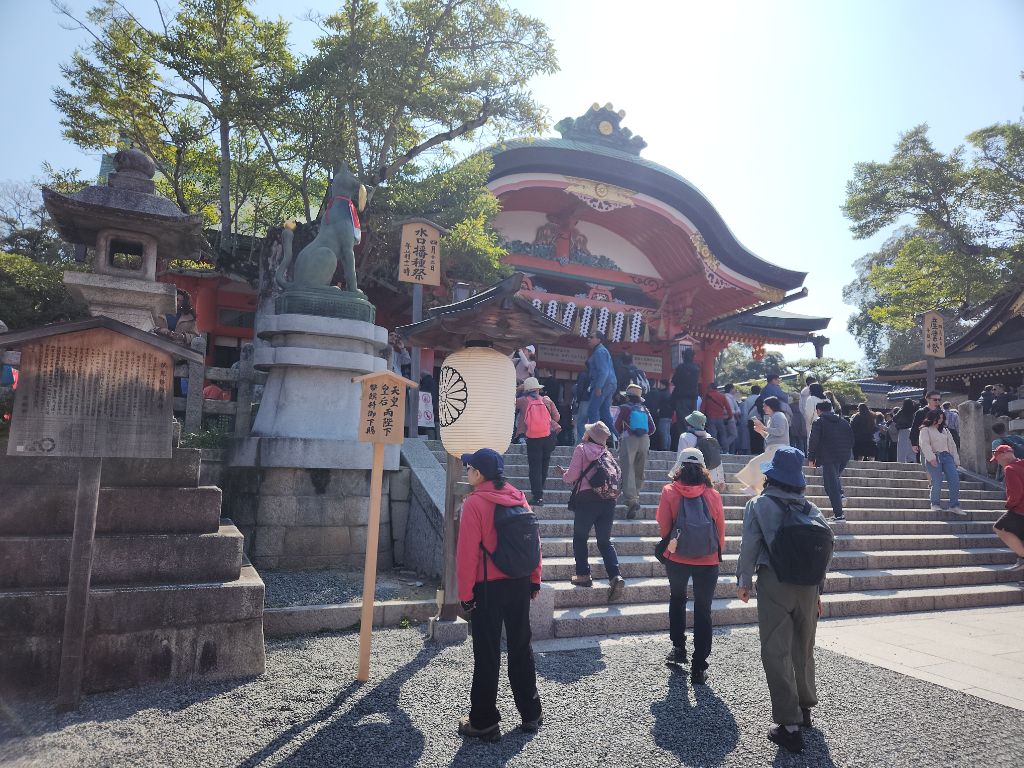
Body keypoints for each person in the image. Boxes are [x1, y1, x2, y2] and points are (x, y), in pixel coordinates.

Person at [735, 447, 833, 755]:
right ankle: (805, 709)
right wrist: (818, 591)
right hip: (808, 587)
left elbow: (749, 546)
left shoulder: (758, 505)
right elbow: (825, 551)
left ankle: (789, 727)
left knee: (775, 650)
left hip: (775, 583)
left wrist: (743, 581)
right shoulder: (811, 509)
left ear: (771, 476)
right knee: (803, 648)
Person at [455, 448, 543, 739]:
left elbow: (467, 555)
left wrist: (465, 594)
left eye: (469, 468)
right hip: (519, 582)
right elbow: (534, 542)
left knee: (487, 654)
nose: (467, 472)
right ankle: (531, 713)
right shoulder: (518, 497)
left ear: (479, 473)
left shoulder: (475, 503)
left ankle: (484, 721)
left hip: (488, 586)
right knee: (521, 647)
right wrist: (535, 579)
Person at [657, 447, 725, 684]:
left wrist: (673, 543)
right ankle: (699, 666)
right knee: (703, 610)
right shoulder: (713, 494)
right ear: (703, 468)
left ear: (679, 465)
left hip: (677, 558)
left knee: (677, 599)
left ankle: (678, 648)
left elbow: (663, 525)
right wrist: (716, 552)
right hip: (708, 559)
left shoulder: (669, 491)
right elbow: (720, 528)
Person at [557, 421, 625, 599]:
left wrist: (564, 474)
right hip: (608, 501)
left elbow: (571, 476)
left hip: (587, 499)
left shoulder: (582, 449)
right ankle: (615, 576)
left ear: (590, 435)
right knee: (604, 541)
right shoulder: (606, 453)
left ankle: (583, 575)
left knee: (580, 537)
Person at [515, 377, 560, 507]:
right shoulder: (546, 400)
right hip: (548, 437)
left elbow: (509, 402)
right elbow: (557, 417)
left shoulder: (523, 401)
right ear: (537, 389)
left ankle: (537, 496)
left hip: (533, 437)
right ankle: (540, 494)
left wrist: (517, 389)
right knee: (544, 466)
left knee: (535, 467)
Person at [807, 400, 854, 522]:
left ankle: (839, 515)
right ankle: (840, 495)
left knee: (830, 486)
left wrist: (811, 458)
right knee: (832, 482)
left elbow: (813, 441)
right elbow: (851, 439)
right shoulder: (844, 422)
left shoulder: (819, 421)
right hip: (844, 456)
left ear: (818, 410)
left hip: (828, 457)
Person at [614, 383, 655, 519]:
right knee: (639, 470)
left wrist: (623, 433)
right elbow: (652, 428)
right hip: (644, 440)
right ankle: (636, 495)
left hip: (629, 439)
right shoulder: (645, 409)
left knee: (628, 469)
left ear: (627, 397)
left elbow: (616, 425)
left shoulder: (623, 408)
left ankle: (631, 500)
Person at [737, 396, 790, 496]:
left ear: (771, 406)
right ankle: (754, 488)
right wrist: (761, 431)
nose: (763, 408)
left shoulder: (778, 415)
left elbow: (780, 431)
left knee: (754, 463)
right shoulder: (773, 417)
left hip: (778, 448)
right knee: (763, 469)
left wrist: (763, 428)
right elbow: (770, 436)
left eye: (765, 406)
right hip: (773, 448)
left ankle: (753, 488)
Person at [918, 409, 965, 516]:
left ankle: (954, 506)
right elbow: (924, 444)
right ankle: (935, 503)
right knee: (937, 481)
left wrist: (956, 460)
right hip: (935, 456)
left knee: (954, 479)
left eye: (942, 417)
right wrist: (931, 458)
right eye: (938, 417)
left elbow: (952, 445)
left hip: (947, 457)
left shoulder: (945, 430)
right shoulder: (925, 429)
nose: (940, 419)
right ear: (932, 417)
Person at [991, 444, 1024, 574]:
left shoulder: (1010, 469)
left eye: (997, 459)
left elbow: (1016, 494)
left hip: (1020, 509)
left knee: (999, 528)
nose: (998, 462)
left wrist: (1009, 505)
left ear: (1004, 455)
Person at [677, 410, 726, 489]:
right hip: (709, 478)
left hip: (691, 478)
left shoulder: (684, 437)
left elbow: (680, 459)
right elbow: (717, 461)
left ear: (691, 424)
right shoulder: (709, 437)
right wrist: (721, 480)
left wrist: (676, 476)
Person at [585, 332, 616, 433]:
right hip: (610, 384)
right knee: (605, 413)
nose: (588, 339)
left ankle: (596, 437)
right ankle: (617, 436)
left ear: (599, 340)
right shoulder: (602, 351)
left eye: (591, 337)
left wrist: (599, 387)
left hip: (603, 384)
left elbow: (603, 371)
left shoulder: (599, 352)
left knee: (592, 411)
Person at [910, 390, 943, 461]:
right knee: (925, 463)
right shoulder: (920, 413)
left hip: (939, 443)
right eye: (935, 399)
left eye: (939, 399)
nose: (937, 401)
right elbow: (915, 428)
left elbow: (943, 427)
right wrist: (914, 443)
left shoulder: (941, 412)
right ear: (927, 399)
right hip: (924, 442)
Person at [670, 347, 700, 424]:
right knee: (692, 419)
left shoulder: (681, 367)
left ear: (684, 356)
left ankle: (684, 431)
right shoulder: (696, 368)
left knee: (682, 420)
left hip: (681, 397)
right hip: (693, 397)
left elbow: (674, 381)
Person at [700, 383, 732, 449]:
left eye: (708, 388)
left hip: (710, 418)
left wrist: (702, 419)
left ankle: (714, 449)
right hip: (720, 418)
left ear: (710, 388)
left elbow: (702, 408)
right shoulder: (722, 396)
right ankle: (725, 449)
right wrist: (729, 417)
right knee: (723, 435)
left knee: (713, 435)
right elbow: (728, 408)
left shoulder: (706, 396)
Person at [645, 379, 672, 451]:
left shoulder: (661, 394)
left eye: (660, 384)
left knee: (663, 432)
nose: (659, 386)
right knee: (667, 432)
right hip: (669, 415)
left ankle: (664, 447)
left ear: (663, 385)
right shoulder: (668, 393)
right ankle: (668, 447)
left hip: (663, 415)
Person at [893, 399, 917, 463]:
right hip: (912, 430)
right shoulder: (914, 410)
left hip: (902, 430)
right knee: (911, 446)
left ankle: (901, 460)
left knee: (902, 446)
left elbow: (894, 419)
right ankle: (911, 460)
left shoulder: (902, 410)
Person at [742, 384, 764, 454]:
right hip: (760, 419)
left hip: (751, 420)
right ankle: (760, 451)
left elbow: (745, 412)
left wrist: (745, 422)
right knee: (761, 436)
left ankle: (753, 451)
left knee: (752, 437)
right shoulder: (761, 398)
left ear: (751, 391)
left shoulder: (748, 399)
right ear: (759, 391)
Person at [572, 369, 592, 443]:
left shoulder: (583, 374)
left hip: (584, 400)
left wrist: (578, 400)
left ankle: (581, 442)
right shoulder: (597, 374)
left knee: (581, 422)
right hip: (595, 401)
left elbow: (579, 388)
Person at [723, 383, 741, 454]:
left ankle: (728, 451)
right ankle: (723, 447)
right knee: (734, 435)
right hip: (730, 419)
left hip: (728, 419)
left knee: (728, 435)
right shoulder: (728, 398)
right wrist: (737, 412)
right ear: (731, 389)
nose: (735, 390)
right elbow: (730, 410)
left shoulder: (731, 397)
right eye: (734, 388)